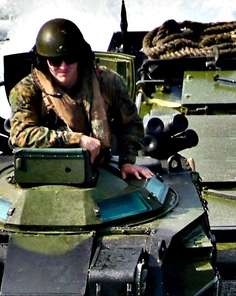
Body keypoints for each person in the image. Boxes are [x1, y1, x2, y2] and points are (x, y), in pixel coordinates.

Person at [8, 18, 152, 182]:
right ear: (43, 61)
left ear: (80, 57)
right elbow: (20, 134)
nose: (63, 67)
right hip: (45, 172)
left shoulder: (107, 82)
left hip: (98, 169)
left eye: (70, 59)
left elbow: (130, 123)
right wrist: (78, 140)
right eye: (55, 61)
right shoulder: (27, 90)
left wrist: (127, 161)